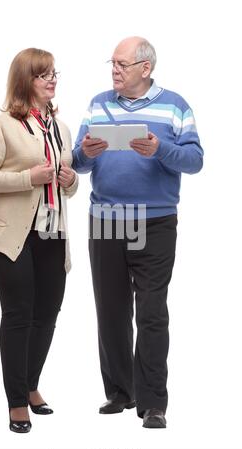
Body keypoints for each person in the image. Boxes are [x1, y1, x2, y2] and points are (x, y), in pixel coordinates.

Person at [72, 37, 203, 428]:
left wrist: (159, 149)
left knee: (150, 312)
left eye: (122, 64)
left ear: (145, 69)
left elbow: (195, 160)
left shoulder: (176, 105)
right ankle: (119, 393)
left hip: (155, 221)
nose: (114, 70)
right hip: (106, 220)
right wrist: (86, 154)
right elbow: (77, 161)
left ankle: (153, 403)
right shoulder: (98, 103)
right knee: (110, 310)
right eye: (111, 63)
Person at [0, 48, 78, 433]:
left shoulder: (60, 127)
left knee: (47, 315)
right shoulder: (5, 124)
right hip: (11, 236)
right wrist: (25, 178)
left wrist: (71, 182)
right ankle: (17, 401)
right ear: (25, 81)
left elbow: (66, 185)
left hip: (53, 233)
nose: (52, 79)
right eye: (42, 75)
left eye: (54, 73)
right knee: (19, 315)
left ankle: (31, 384)